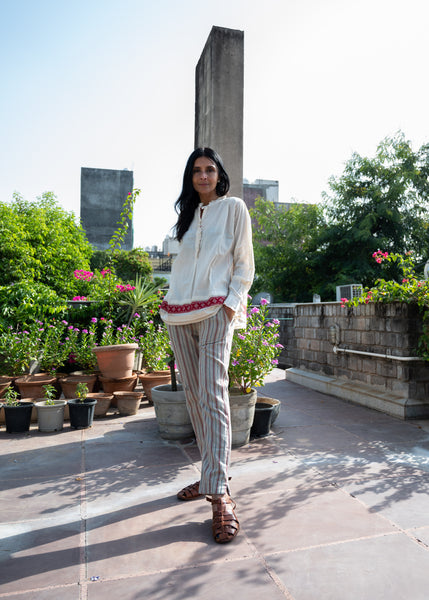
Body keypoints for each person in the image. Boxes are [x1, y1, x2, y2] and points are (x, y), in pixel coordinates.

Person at [159, 147, 254, 544]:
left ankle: (220, 495)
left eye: (209, 169)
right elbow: (180, 266)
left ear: (219, 175)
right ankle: (208, 475)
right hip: (178, 315)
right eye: (196, 170)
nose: (203, 175)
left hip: (216, 311)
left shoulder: (233, 209)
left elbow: (243, 263)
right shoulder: (183, 219)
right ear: (190, 177)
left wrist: (231, 307)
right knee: (196, 399)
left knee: (214, 395)